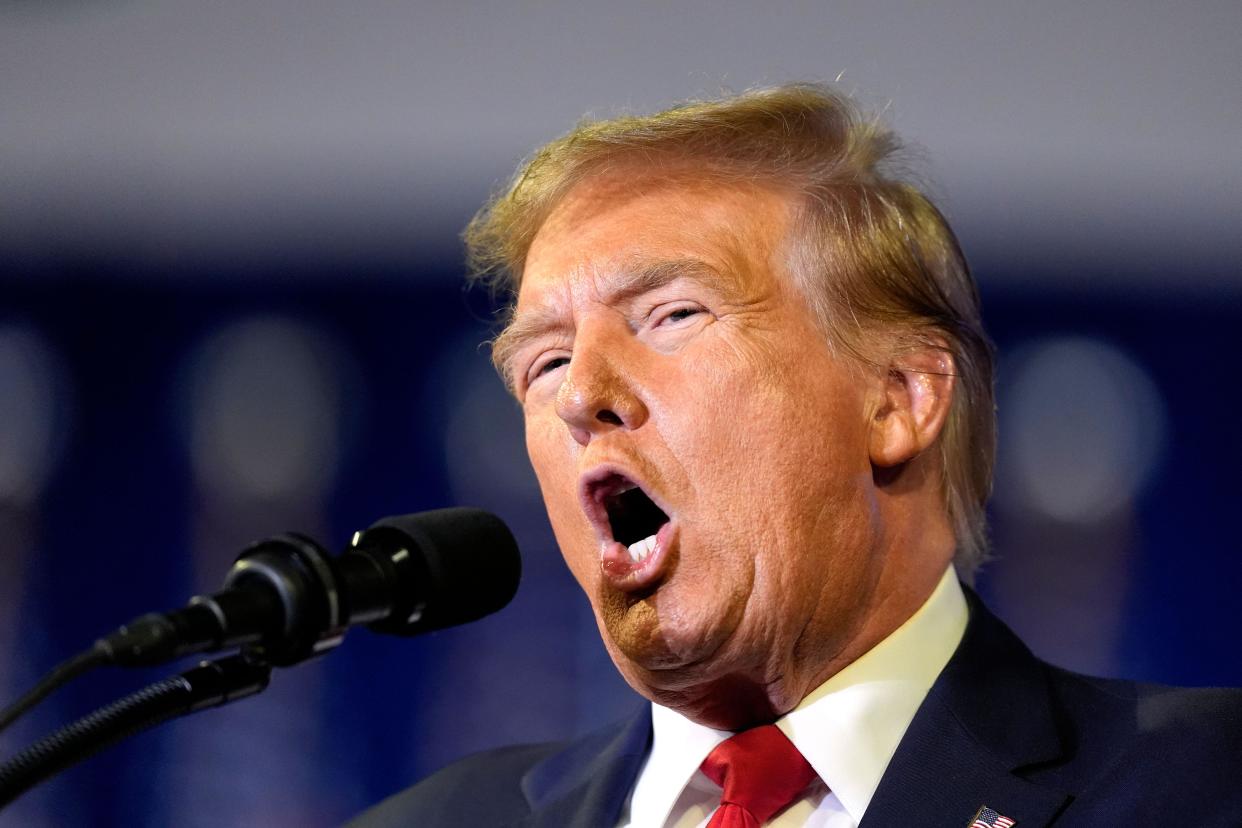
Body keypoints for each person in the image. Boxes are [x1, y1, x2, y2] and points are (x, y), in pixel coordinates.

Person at [350, 84, 1242, 827]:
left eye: (673, 316)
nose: (580, 396)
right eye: (543, 362)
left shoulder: (1198, 785)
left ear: (897, 399)